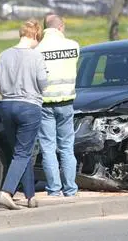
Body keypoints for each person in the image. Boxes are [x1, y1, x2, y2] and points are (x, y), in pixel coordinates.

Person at [0, 19, 48, 210]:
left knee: (18, 152)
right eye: (38, 39)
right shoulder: (36, 57)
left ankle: (30, 196)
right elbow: (43, 83)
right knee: (24, 152)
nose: (37, 43)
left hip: (7, 105)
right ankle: (6, 192)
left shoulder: (3, 55)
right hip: (29, 107)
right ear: (34, 35)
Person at [35, 14, 79, 197]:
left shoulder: (37, 49)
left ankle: (54, 189)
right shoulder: (73, 46)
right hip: (67, 103)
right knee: (67, 147)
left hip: (45, 104)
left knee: (48, 147)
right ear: (61, 27)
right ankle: (70, 189)